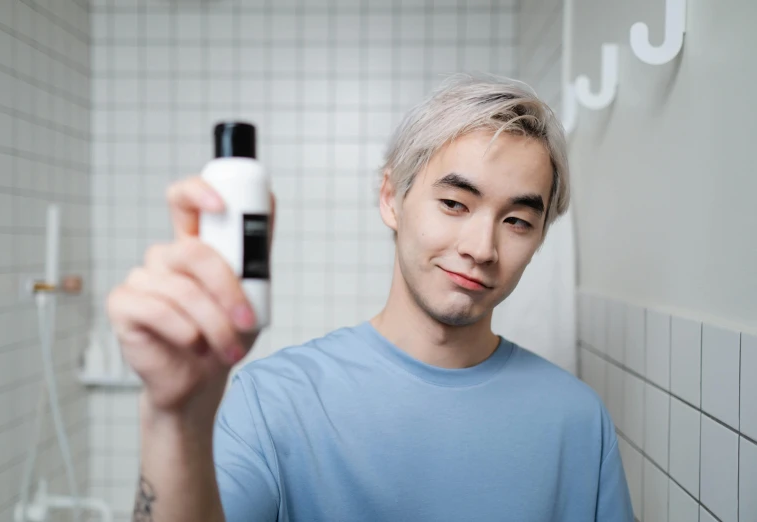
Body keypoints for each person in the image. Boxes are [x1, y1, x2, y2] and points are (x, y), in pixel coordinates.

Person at [108, 74, 633, 522]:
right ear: (391, 199)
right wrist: (173, 417)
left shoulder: (578, 422)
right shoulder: (272, 403)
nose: (481, 248)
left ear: (540, 238)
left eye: (517, 221)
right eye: (454, 203)